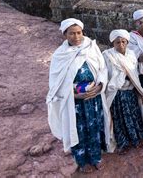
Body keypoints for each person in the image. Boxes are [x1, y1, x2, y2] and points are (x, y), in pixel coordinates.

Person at [47, 18, 113, 173]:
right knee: (78, 129)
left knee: (94, 127)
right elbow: (56, 83)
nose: (76, 37)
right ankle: (82, 161)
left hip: (93, 98)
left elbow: (102, 70)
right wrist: (74, 95)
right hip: (74, 103)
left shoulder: (91, 47)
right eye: (71, 33)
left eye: (79, 33)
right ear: (65, 34)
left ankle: (96, 157)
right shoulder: (60, 55)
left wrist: (99, 87)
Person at [103, 29, 143, 154]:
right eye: (117, 42)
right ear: (113, 43)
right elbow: (106, 75)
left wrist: (139, 92)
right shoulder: (107, 55)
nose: (121, 45)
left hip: (131, 91)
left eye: (123, 42)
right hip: (117, 93)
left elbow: (135, 75)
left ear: (127, 42)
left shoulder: (132, 54)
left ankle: (136, 138)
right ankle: (123, 143)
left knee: (133, 116)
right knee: (120, 119)